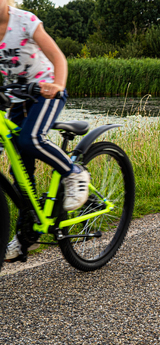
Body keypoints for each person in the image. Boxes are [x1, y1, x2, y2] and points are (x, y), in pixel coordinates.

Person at [1, 0, 90, 262]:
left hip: (45, 92)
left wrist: (58, 85)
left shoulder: (24, 20)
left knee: (30, 140)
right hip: (15, 98)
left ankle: (74, 173)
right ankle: (24, 234)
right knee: (20, 171)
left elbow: (58, 57)